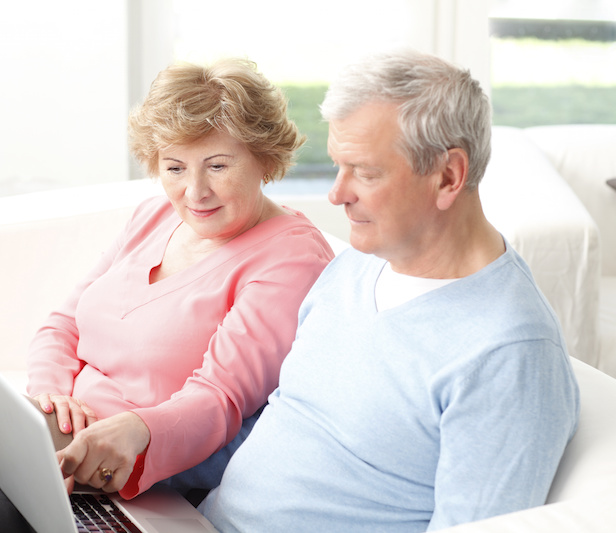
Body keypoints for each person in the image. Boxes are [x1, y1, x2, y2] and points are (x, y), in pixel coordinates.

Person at [0, 58, 335, 532]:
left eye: (217, 166)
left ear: (266, 159)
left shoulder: (288, 258)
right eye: (175, 168)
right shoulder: (156, 217)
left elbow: (219, 401)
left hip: (117, 455)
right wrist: (49, 392)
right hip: (55, 427)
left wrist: (135, 431)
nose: (194, 191)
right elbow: (62, 324)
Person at [198, 48, 580, 532]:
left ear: (448, 176)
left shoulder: (509, 352)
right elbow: (279, 422)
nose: (337, 194)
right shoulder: (360, 264)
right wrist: (140, 461)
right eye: (338, 167)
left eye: (365, 172)